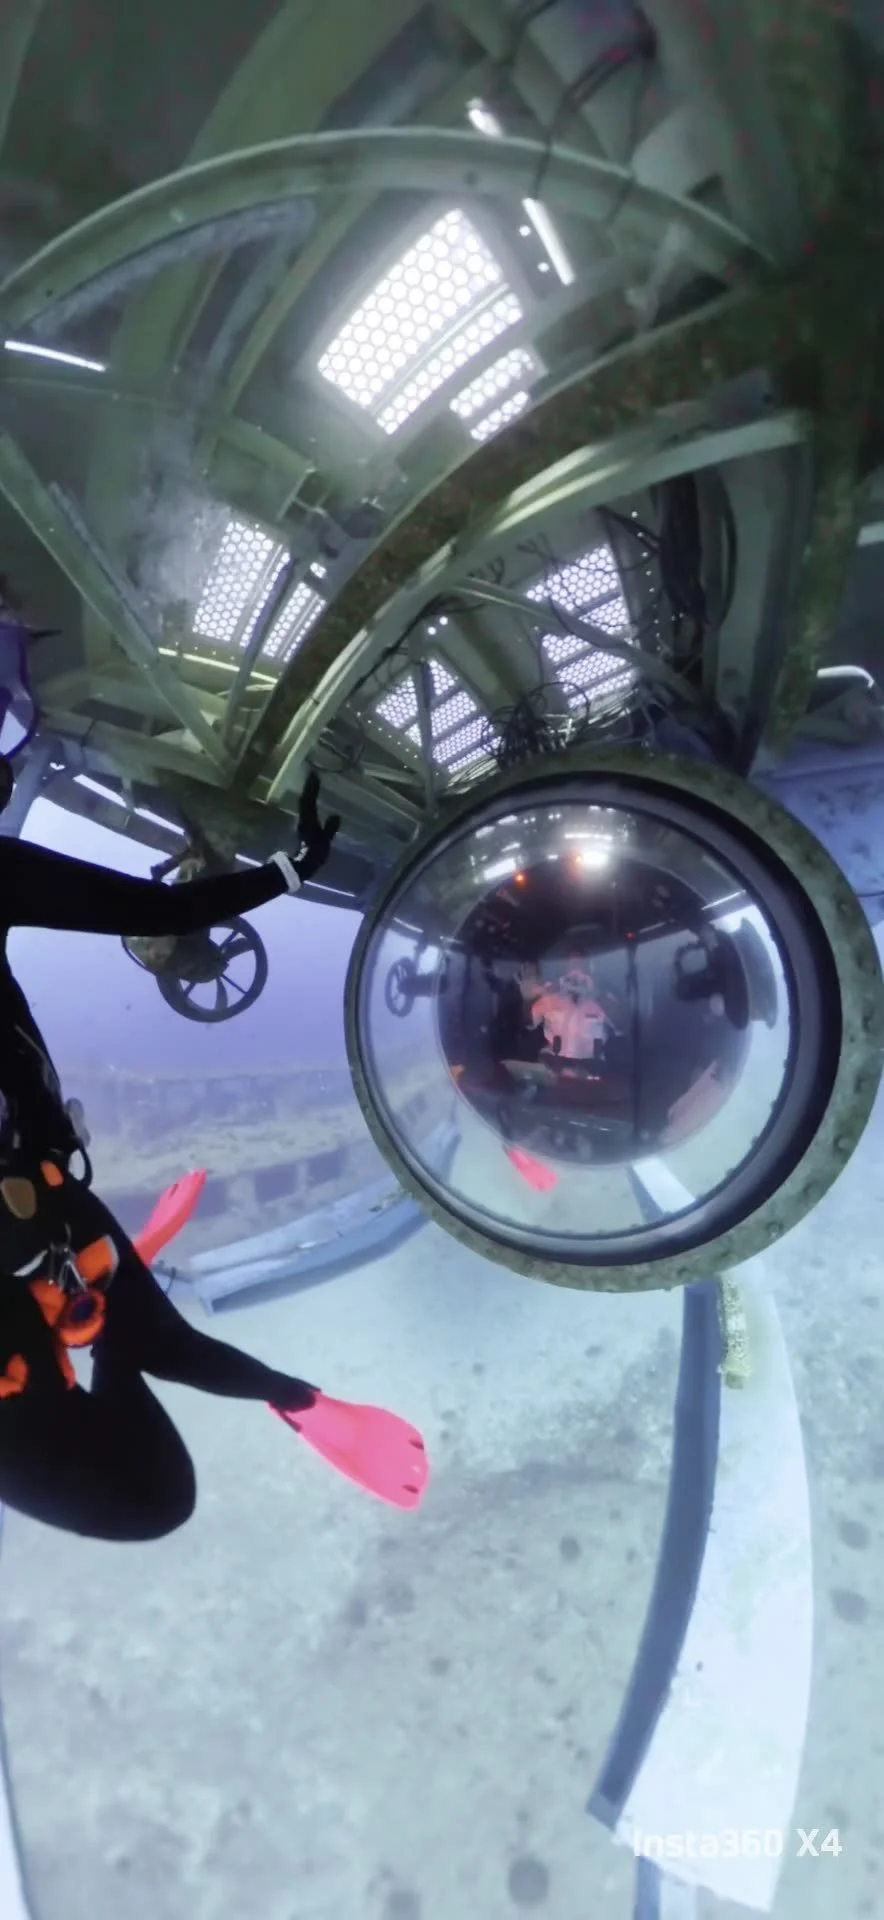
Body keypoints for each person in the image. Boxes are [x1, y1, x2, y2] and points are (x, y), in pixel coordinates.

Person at [0, 766, 347, 1542]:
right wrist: (292, 869)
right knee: (151, 1492)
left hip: (39, 1203)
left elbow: (166, 1349)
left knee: (150, 1493)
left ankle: (101, 1317)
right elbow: (160, 911)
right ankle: (101, 1316)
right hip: (40, 1203)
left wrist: (286, 1391)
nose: (10, 769)